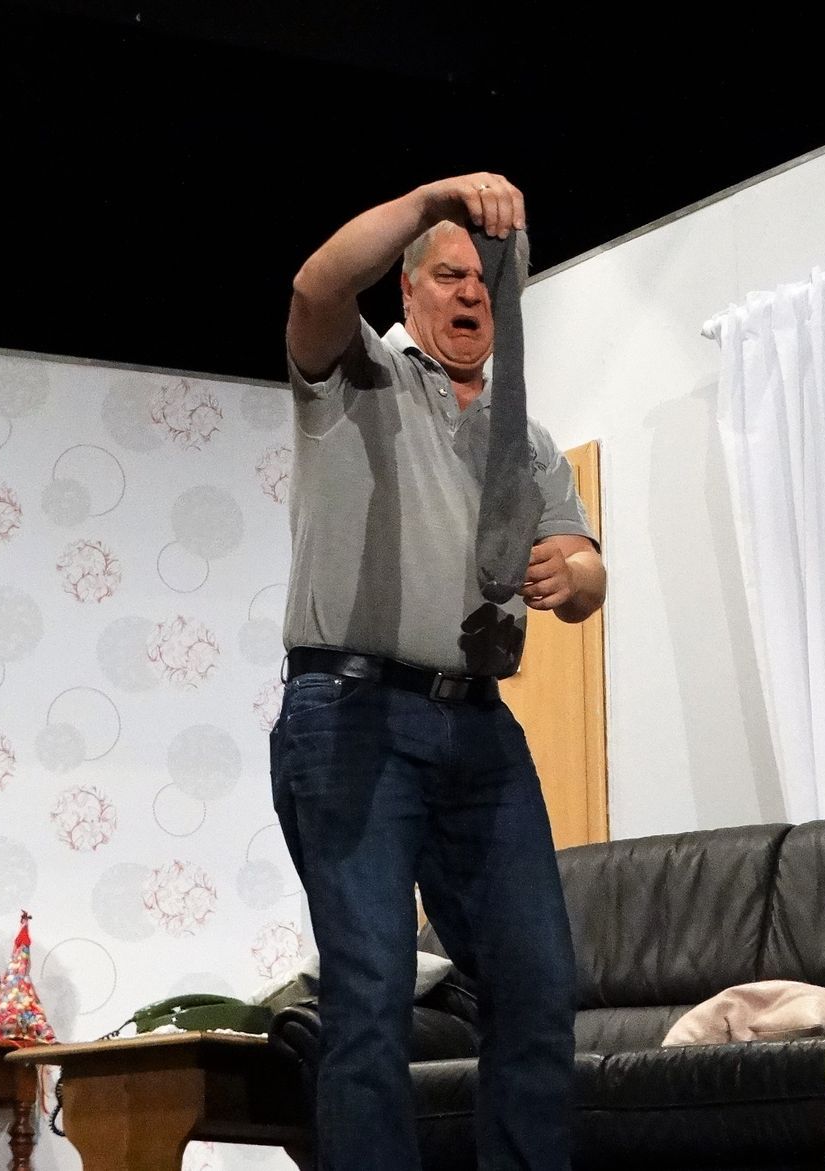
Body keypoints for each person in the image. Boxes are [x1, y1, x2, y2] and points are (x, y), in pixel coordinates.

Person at [270, 172, 606, 1169]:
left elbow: (582, 565)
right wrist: (428, 202)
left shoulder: (524, 436)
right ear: (409, 287)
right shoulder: (356, 377)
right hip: (351, 713)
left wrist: (576, 575)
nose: (471, 293)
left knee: (536, 986)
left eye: (488, 280)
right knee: (370, 990)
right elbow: (315, 286)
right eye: (450, 274)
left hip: (478, 728)